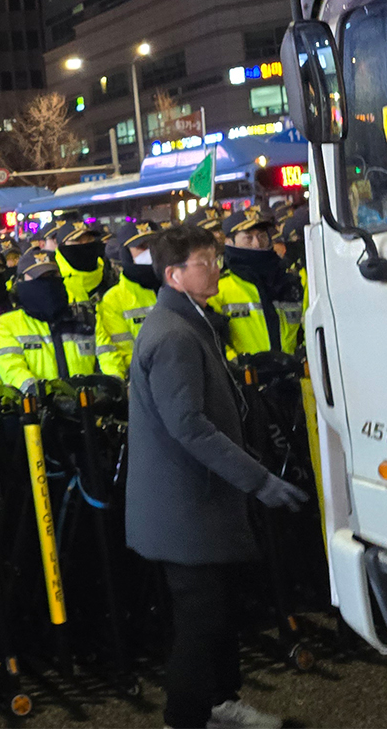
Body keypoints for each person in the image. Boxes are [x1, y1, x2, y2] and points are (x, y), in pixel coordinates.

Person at [126, 224, 307, 729]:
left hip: (201, 500)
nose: (216, 269)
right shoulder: (173, 335)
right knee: (201, 619)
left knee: (220, 610)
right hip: (184, 506)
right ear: (174, 275)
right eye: (204, 262)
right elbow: (188, 425)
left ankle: (221, 702)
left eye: (215, 258)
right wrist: (259, 479)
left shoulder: (191, 322)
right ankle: (184, 717)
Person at [0, 251, 103, 392]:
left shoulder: (83, 318)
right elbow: (12, 369)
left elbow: (105, 358)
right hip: (37, 403)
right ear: (20, 282)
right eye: (39, 277)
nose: (47, 283)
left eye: (52, 275)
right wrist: (41, 393)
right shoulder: (6, 324)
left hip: (88, 402)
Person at [207, 208, 303, 365]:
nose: (257, 244)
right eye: (248, 238)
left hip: (295, 373)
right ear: (229, 242)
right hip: (247, 376)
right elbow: (212, 339)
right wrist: (237, 362)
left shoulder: (289, 282)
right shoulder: (218, 289)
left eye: (262, 236)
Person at [96, 224, 164, 377]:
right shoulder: (113, 299)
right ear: (125, 253)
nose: (150, 252)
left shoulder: (179, 286)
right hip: (142, 381)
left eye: (154, 245)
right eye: (142, 247)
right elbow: (118, 353)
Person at [39, 220, 117, 306]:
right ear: (62, 246)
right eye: (78, 241)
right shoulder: (53, 275)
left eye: (89, 240)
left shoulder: (108, 269)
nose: (85, 245)